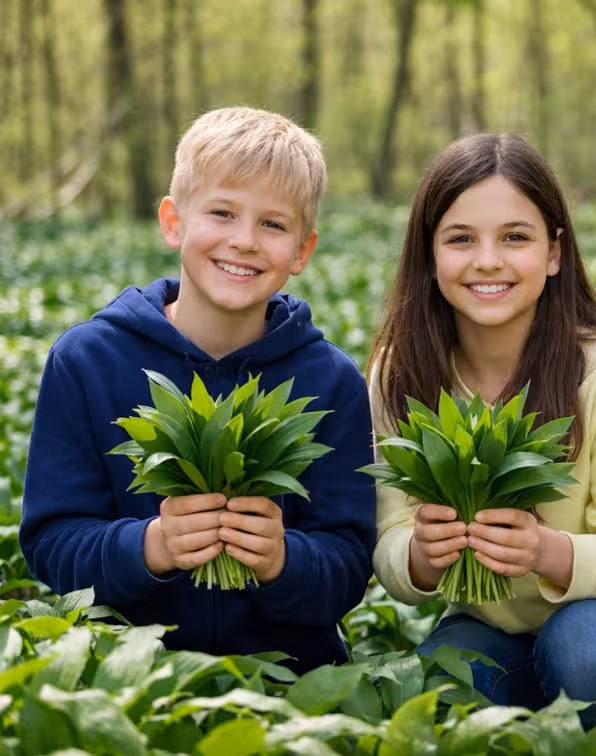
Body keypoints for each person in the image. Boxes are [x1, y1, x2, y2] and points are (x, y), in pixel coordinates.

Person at [19, 107, 376, 673]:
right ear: (173, 221)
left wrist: (283, 558)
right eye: (222, 212)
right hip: (127, 675)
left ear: (302, 251)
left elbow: (351, 564)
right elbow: (52, 543)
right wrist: (152, 547)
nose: (244, 241)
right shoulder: (87, 360)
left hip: (288, 678)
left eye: (273, 225)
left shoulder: (330, 380)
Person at [367, 133, 596, 729]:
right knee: (440, 687)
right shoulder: (402, 373)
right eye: (461, 239)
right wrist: (419, 554)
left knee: (585, 647)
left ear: (554, 253)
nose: (488, 260)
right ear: (429, 254)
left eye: (515, 237)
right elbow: (392, 538)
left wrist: (547, 551)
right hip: (493, 630)